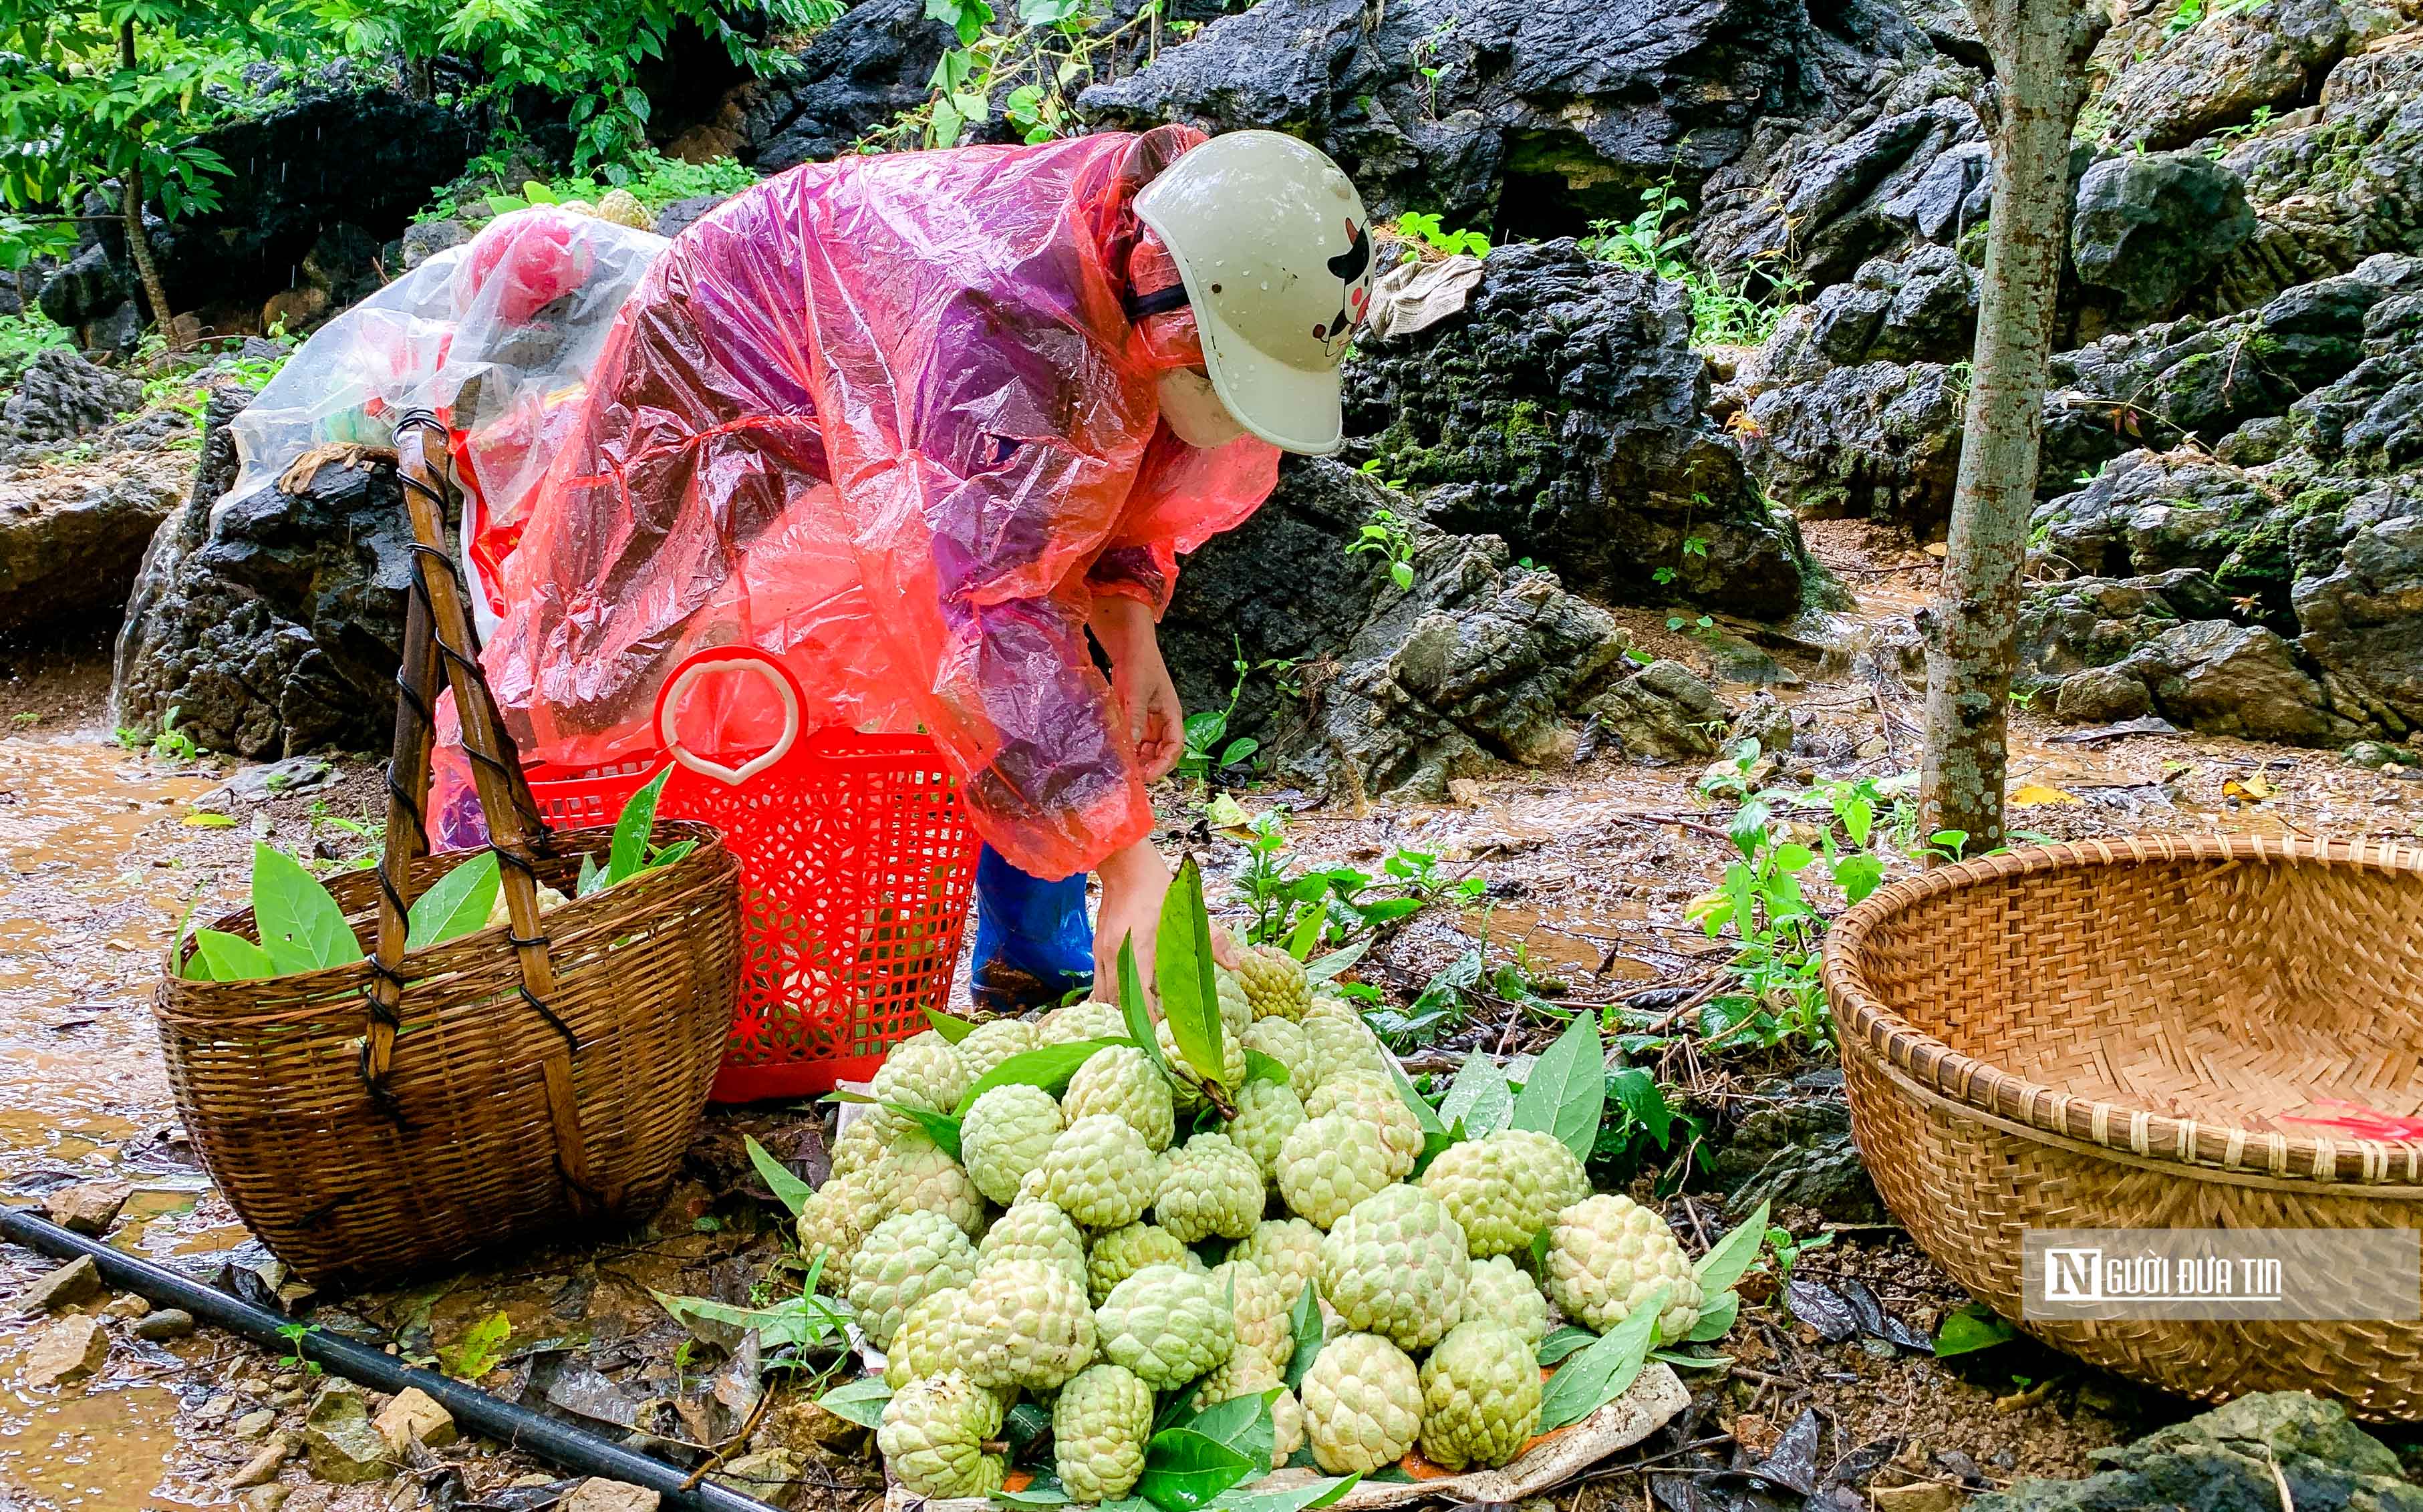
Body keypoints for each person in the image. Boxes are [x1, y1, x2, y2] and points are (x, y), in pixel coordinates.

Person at [479, 126, 1375, 1005]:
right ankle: (515, 910)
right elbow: (985, 607)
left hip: (892, 332)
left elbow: (1113, 480)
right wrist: (1136, 873)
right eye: (1221, 378)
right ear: (1161, 307)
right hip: (728, 340)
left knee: (1017, 647)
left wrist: (1131, 633)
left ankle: (1037, 947)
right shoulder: (1001, 321)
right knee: (600, 663)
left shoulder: (1189, 254)